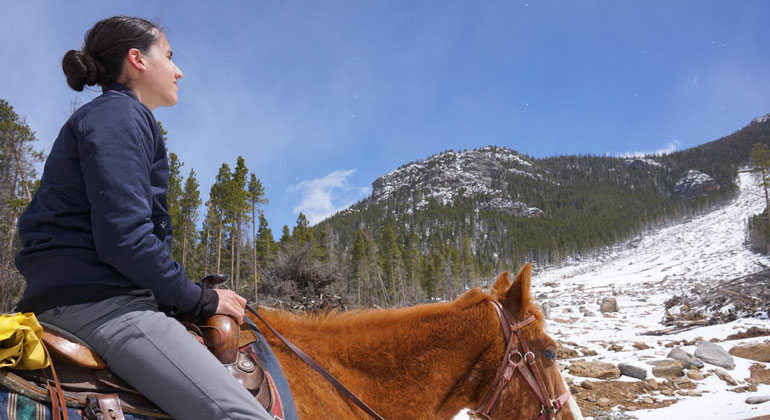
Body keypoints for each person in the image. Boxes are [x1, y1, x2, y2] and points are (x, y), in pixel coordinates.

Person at [13, 16, 273, 420]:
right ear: (137, 59)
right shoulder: (119, 116)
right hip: (101, 305)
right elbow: (125, 238)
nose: (178, 70)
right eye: (169, 56)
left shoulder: (109, 117)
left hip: (75, 295)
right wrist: (200, 298)